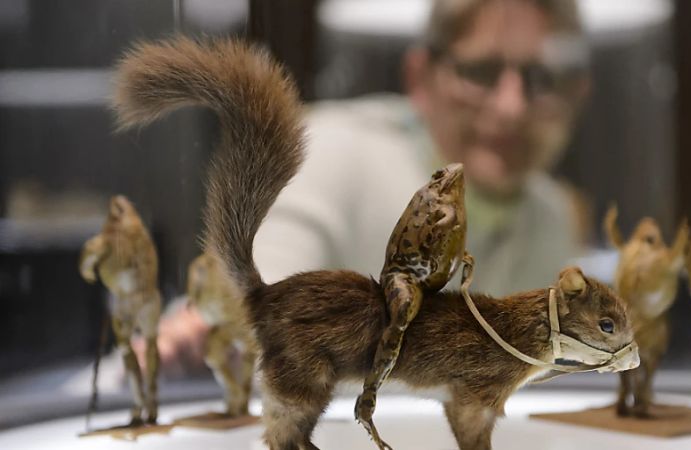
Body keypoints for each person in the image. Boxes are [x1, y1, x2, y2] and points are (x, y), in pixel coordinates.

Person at [152, 0, 592, 375]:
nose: (511, 107)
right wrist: (214, 335)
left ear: (578, 95)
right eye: (480, 71)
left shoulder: (549, 217)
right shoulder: (324, 151)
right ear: (420, 78)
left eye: (542, 79)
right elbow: (255, 315)